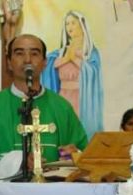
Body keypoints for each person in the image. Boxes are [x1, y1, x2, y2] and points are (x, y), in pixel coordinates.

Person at [0, 34, 88, 181]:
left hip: (53, 192)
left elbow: (87, 154)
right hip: (6, 194)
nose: (27, 60)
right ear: (9, 62)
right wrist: (19, 162)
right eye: (19, 53)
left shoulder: (62, 108)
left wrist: (75, 155)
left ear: (45, 62)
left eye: (34, 53)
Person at [41, 10, 103, 140]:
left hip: (80, 98)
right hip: (62, 96)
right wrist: (66, 58)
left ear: (81, 25)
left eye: (73, 23)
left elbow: (92, 71)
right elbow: (49, 64)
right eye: (67, 23)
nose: (69, 27)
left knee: (78, 132)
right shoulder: (62, 51)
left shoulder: (89, 51)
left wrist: (74, 58)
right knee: (62, 131)